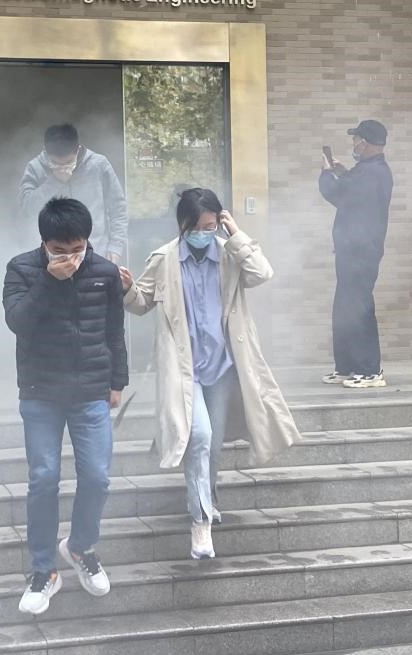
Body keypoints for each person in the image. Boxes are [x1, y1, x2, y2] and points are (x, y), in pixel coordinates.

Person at [121, 188, 300, 560]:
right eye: (198, 227)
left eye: (212, 225)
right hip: (184, 370)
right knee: (198, 437)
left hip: (222, 366)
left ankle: (209, 497)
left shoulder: (229, 253)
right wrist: (126, 289)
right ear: (183, 225)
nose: (205, 233)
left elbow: (262, 273)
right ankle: (199, 522)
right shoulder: (165, 259)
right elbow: (140, 304)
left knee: (213, 442)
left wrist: (235, 233)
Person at [2, 197, 128, 614]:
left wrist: (117, 382)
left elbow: (114, 331)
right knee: (43, 478)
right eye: (60, 250)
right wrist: (49, 280)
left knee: (98, 477)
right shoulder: (22, 269)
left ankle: (80, 546)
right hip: (40, 391)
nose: (71, 258)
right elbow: (17, 322)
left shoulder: (104, 272)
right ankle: (44, 570)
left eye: (78, 249)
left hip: (91, 390)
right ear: (44, 243)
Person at [318, 118, 394, 388]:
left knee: (358, 308)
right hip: (352, 251)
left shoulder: (373, 173)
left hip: (361, 253)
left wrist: (327, 174)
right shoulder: (368, 171)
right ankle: (347, 366)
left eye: (356, 139)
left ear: (367, 143)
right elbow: (353, 190)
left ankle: (370, 371)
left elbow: (339, 195)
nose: (353, 143)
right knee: (345, 308)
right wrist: (343, 172)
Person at [18, 123, 129, 262]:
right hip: (52, 255)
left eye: (68, 162)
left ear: (78, 149)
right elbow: (27, 209)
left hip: (95, 251)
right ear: (46, 152)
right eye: (55, 163)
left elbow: (118, 209)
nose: (62, 167)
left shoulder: (98, 164)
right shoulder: (35, 167)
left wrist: (115, 246)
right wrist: (54, 181)